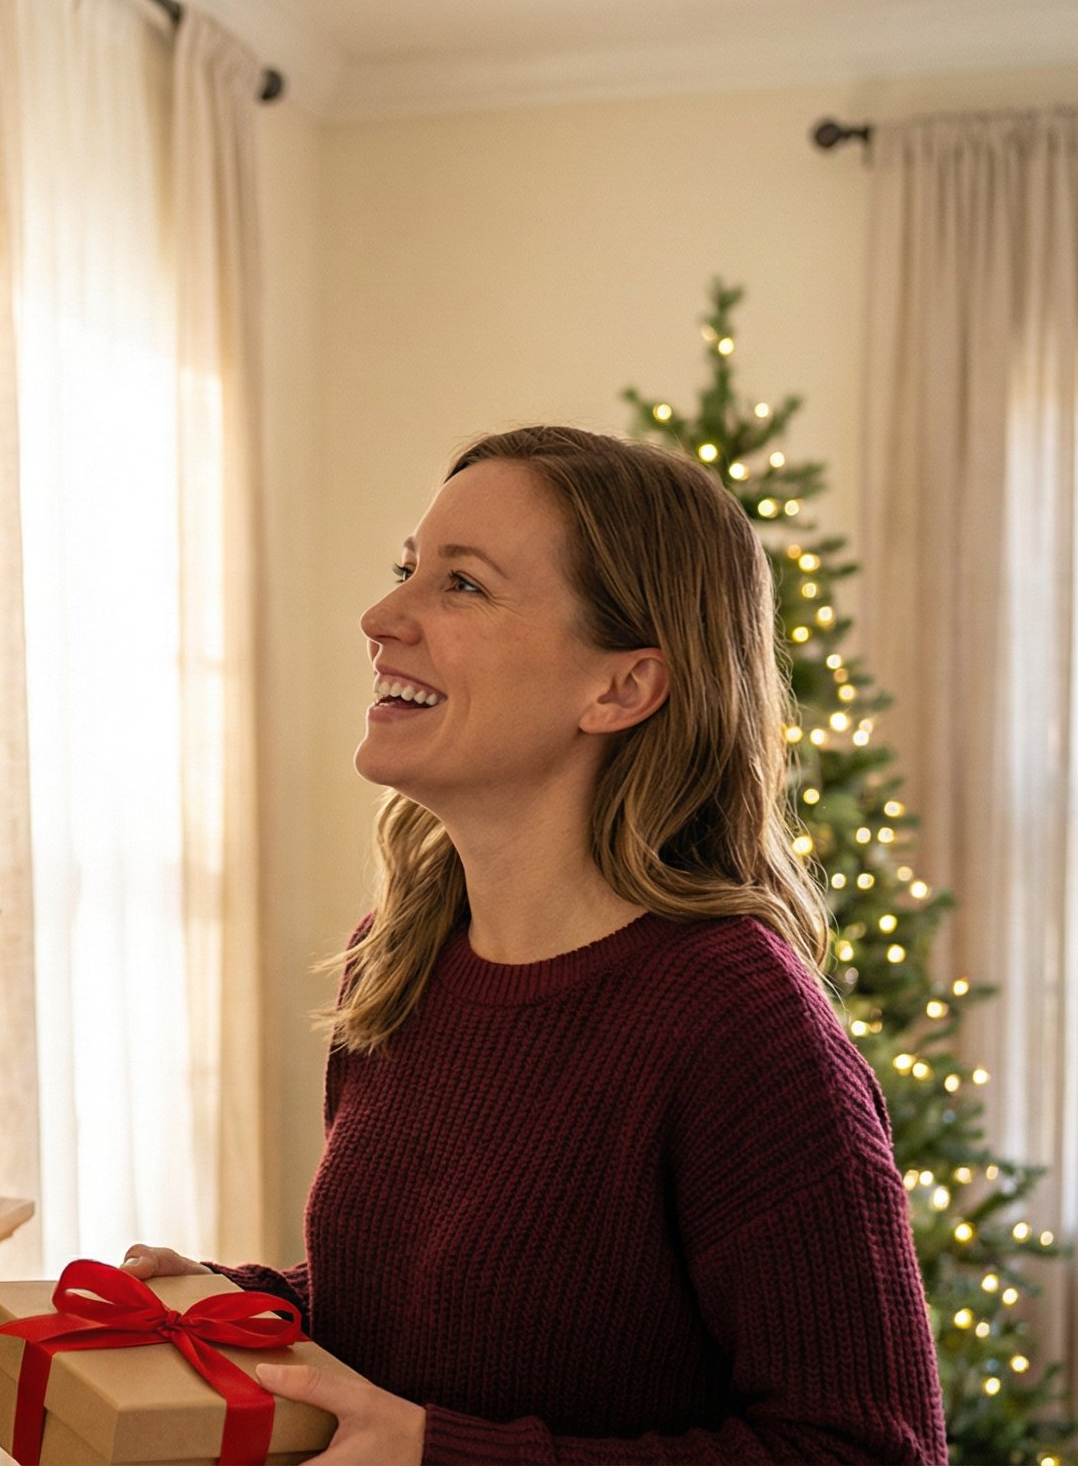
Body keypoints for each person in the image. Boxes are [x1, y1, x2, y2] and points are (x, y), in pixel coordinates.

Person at [121, 426, 946, 1463]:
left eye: (459, 585)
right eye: (405, 570)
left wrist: (444, 1457)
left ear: (621, 689)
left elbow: (866, 1451)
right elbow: (427, 1324)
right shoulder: (402, 958)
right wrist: (237, 1304)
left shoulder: (740, 1028)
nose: (381, 620)